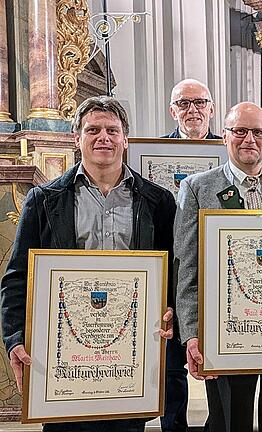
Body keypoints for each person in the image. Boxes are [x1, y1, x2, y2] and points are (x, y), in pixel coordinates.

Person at [0, 96, 175, 431]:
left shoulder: (158, 201)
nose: (103, 138)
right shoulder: (45, 200)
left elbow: (172, 272)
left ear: (126, 138)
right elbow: (17, 276)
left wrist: (169, 311)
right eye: (92, 129)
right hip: (64, 355)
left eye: (112, 130)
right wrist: (15, 337)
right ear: (76, 138)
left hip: (129, 355)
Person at [174, 102, 262, 432]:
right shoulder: (196, 188)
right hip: (227, 330)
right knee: (230, 420)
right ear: (225, 136)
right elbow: (186, 267)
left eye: (258, 132)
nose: (249, 139)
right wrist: (192, 334)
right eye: (240, 131)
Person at [160, 78, 222, 432]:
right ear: (173, 111)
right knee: (172, 366)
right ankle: (174, 426)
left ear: (211, 109)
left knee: (216, 362)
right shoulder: (150, 154)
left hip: (215, 272)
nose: (192, 110)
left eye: (200, 103)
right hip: (172, 268)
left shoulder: (229, 151)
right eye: (184, 104)